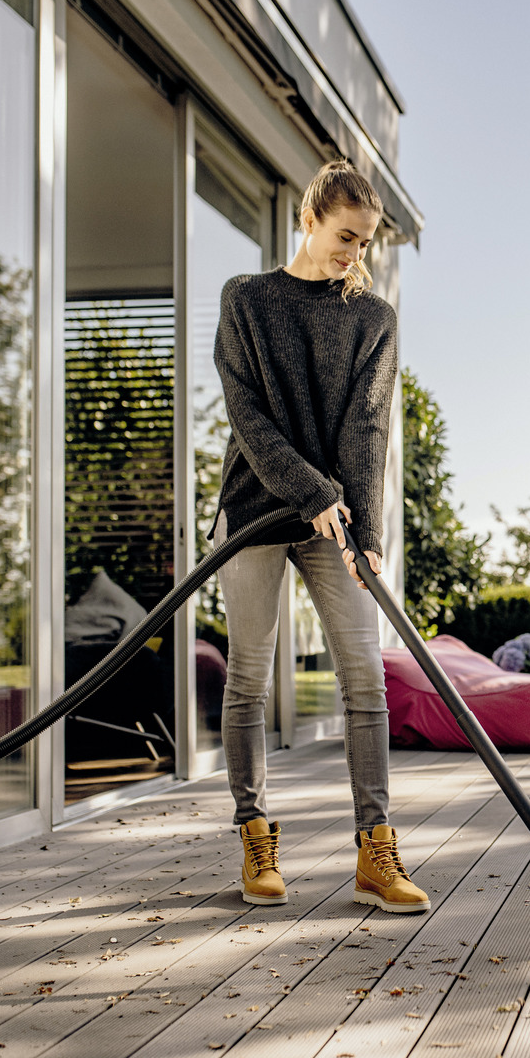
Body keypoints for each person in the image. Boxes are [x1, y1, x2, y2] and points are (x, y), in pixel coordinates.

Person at [208, 158, 430, 914]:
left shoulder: (373, 318)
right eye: (345, 237)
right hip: (255, 510)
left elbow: (367, 425)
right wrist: (313, 493)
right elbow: (248, 414)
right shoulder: (246, 299)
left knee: (364, 680)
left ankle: (376, 848)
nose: (354, 255)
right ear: (308, 219)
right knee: (250, 676)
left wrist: (364, 528)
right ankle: (255, 835)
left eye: (365, 243)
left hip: (335, 521)